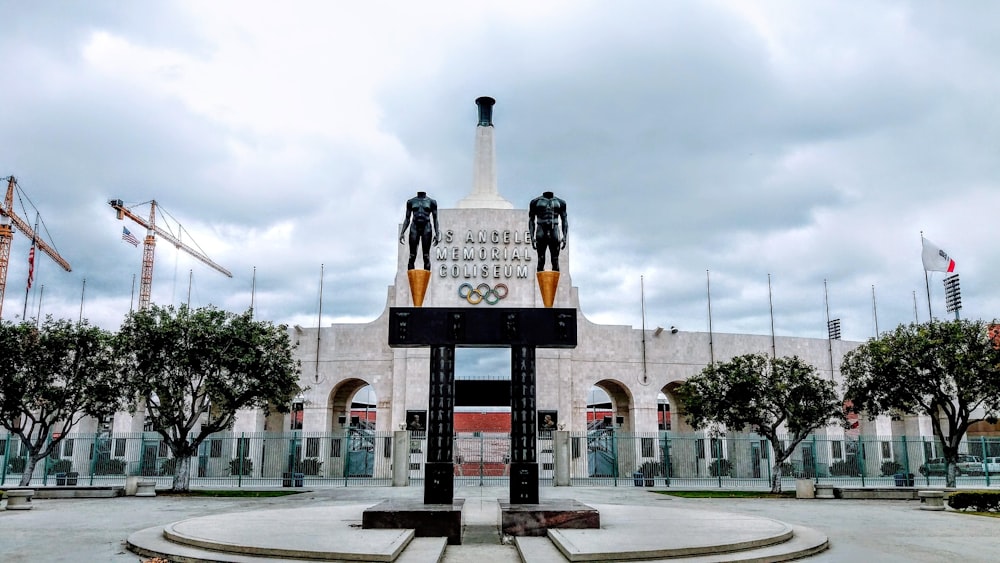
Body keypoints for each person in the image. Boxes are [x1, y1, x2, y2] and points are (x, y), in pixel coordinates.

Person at [399, 191, 440, 270]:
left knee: (426, 256)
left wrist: (437, 233)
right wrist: (402, 232)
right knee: (412, 256)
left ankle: (426, 281)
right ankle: (411, 280)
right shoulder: (411, 202)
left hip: (426, 227)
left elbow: (435, 219)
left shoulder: (432, 202)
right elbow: (407, 218)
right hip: (414, 227)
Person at [528, 191, 568, 272]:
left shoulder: (561, 202)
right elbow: (531, 220)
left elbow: (564, 220)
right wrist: (531, 237)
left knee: (555, 260)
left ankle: (554, 284)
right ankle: (542, 284)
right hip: (541, 229)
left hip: (554, 229)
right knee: (541, 259)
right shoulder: (535, 202)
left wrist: (565, 236)